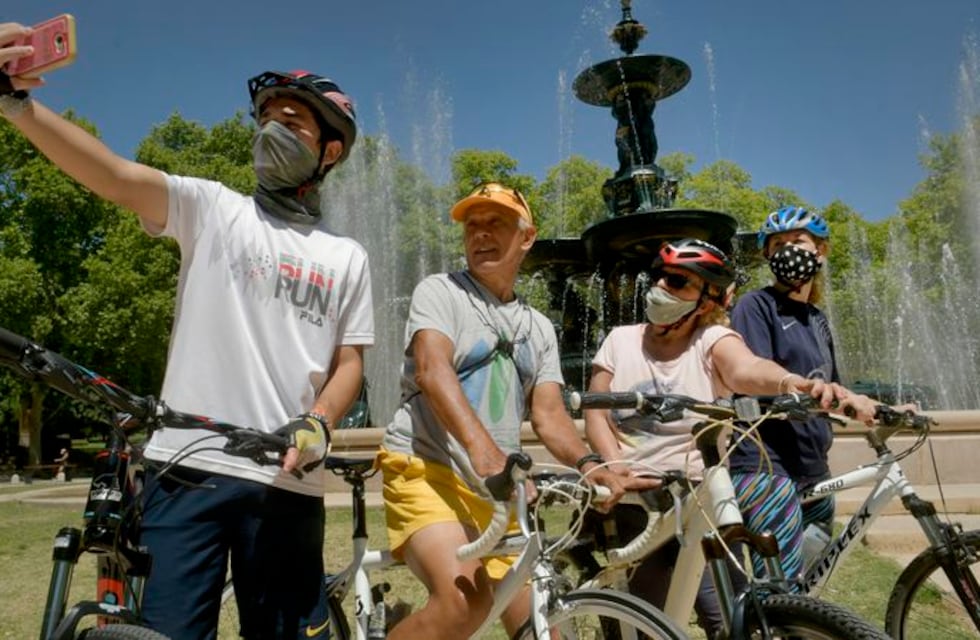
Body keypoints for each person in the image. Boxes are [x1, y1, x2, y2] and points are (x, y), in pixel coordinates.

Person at [1, 24, 373, 640]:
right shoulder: (213, 208)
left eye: (294, 122)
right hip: (183, 468)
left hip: (287, 481)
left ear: (329, 151)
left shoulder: (347, 256)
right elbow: (116, 176)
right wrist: (17, 106)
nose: (273, 130)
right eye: (267, 119)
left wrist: (321, 421)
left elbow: (350, 362)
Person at [582, 237, 875, 638]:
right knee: (636, 626)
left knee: (733, 621)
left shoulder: (711, 342)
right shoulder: (620, 339)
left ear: (706, 300)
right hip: (635, 505)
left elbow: (747, 369)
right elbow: (595, 411)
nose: (661, 287)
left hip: (699, 504)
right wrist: (614, 466)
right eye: (660, 276)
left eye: (677, 281)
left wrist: (792, 383)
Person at [378, 182, 626, 639]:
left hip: (497, 489)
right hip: (427, 469)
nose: (481, 234)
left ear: (526, 236)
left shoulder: (538, 328)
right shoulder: (440, 292)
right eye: (473, 225)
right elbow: (433, 372)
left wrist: (589, 464)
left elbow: (549, 415)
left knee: (542, 624)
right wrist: (487, 453)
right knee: (463, 604)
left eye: (496, 223)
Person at [728, 206, 877, 586]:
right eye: (777, 245)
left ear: (821, 251)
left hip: (814, 469)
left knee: (810, 587)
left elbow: (836, 391)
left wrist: (883, 409)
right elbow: (749, 374)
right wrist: (800, 385)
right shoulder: (755, 306)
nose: (787, 250)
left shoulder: (818, 319)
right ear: (766, 256)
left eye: (797, 242)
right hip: (767, 467)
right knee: (781, 591)